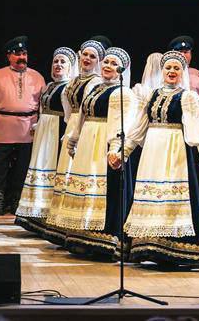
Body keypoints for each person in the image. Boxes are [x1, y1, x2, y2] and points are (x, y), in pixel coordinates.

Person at [122, 50, 199, 269]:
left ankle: (175, 249)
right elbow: (139, 128)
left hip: (175, 150)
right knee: (151, 194)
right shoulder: (152, 95)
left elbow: (196, 126)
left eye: (176, 68)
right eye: (168, 68)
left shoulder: (187, 97)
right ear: (161, 71)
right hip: (152, 151)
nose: (172, 71)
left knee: (173, 195)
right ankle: (149, 247)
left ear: (182, 72)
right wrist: (124, 153)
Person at [53, 47, 135, 260]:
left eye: (113, 64)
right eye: (106, 62)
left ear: (122, 69)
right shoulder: (95, 87)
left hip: (103, 144)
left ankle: (106, 240)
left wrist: (115, 149)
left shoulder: (122, 93)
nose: (108, 66)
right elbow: (81, 116)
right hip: (88, 143)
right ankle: (83, 238)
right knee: (86, 188)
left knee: (105, 190)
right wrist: (73, 140)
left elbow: (122, 124)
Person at [44, 38, 106, 244]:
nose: (87, 59)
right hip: (72, 126)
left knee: (75, 174)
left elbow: (87, 110)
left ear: (98, 61)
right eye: (85, 55)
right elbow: (68, 110)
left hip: (85, 128)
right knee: (65, 174)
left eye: (92, 56)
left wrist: (78, 134)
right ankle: (62, 223)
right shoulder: (74, 80)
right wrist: (69, 129)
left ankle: (77, 223)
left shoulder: (95, 82)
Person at [0, 36, 47, 218]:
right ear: (9, 56)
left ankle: (17, 202)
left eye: (24, 53)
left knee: (23, 168)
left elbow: (44, 104)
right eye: (17, 54)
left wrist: (40, 125)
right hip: (4, 127)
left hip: (28, 128)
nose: (21, 57)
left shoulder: (37, 76)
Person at [15, 47, 77, 238]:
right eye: (55, 61)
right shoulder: (49, 86)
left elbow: (70, 115)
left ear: (70, 66)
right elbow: (43, 109)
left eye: (63, 62)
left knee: (53, 168)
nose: (58, 65)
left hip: (57, 130)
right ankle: (37, 215)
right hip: (45, 131)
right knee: (41, 165)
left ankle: (52, 214)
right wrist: (38, 125)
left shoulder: (69, 88)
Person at [168, 35, 199, 116]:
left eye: (186, 52)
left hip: (195, 116)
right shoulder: (167, 74)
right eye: (180, 52)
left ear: (190, 54)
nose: (183, 55)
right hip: (172, 116)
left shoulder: (198, 75)